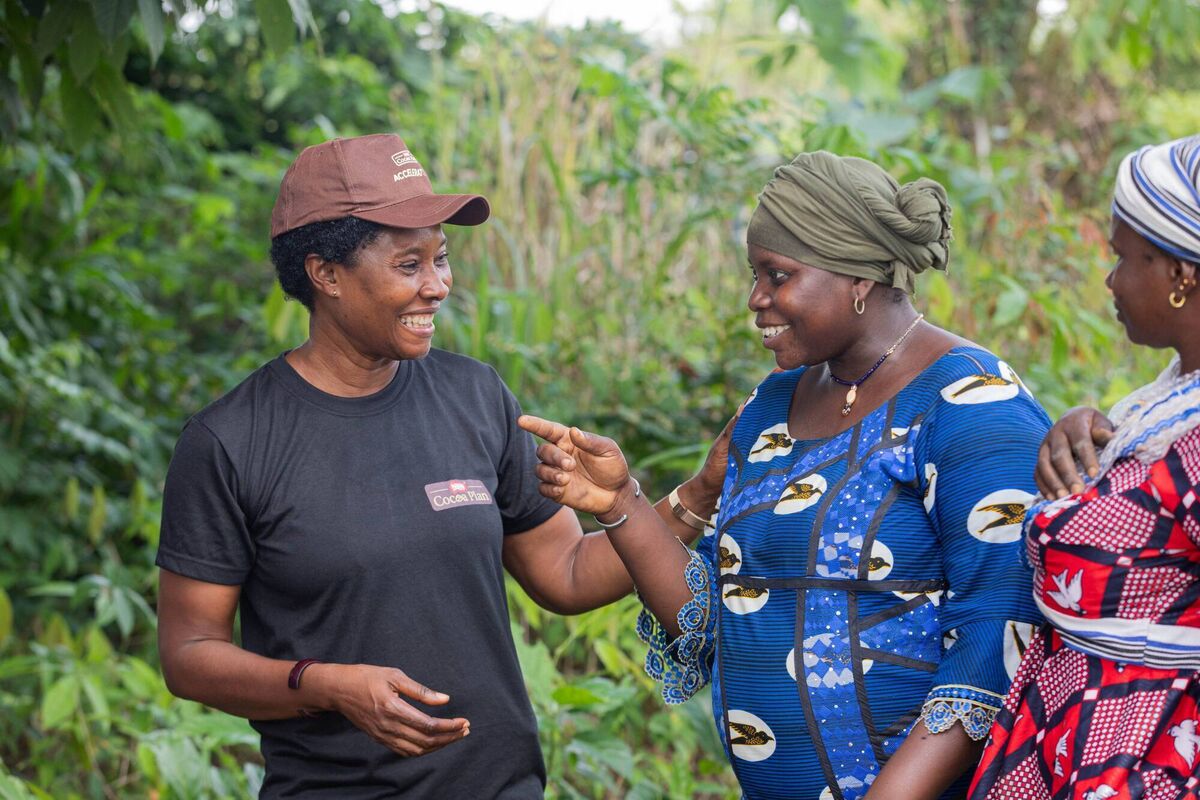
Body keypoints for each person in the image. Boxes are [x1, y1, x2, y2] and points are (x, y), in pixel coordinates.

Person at [154, 133, 730, 798]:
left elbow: (567, 576)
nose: (439, 286)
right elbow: (189, 657)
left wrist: (696, 490)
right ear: (326, 274)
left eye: (442, 258)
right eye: (409, 265)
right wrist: (324, 685)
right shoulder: (231, 442)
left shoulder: (475, 397)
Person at [519, 151, 1049, 800]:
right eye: (755, 274)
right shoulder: (773, 408)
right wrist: (620, 502)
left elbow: (999, 639)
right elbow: (716, 618)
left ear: (857, 276)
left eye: (778, 275)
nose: (756, 299)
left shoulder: (970, 403)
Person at [969, 135, 1200, 800]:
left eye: (1124, 258)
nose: (1110, 280)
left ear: (1183, 274)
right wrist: (1089, 438)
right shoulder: (1160, 407)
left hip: (1144, 756)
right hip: (1077, 736)